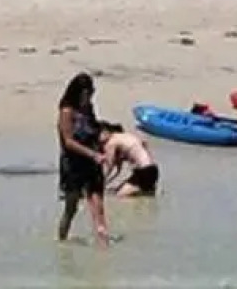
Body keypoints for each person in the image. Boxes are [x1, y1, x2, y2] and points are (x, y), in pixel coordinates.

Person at [57, 72, 111, 246]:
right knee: (71, 209)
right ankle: (61, 241)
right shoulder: (66, 112)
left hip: (93, 164)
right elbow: (68, 142)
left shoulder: (88, 109)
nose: (90, 97)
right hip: (73, 165)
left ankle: (103, 248)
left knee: (98, 208)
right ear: (77, 93)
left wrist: (103, 136)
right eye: (88, 93)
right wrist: (92, 154)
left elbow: (94, 129)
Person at [99, 123, 160, 197]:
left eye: (98, 135)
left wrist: (99, 182)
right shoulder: (126, 136)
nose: (98, 139)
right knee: (118, 190)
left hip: (143, 171)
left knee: (119, 196)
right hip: (153, 169)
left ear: (106, 131)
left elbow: (109, 167)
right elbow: (144, 143)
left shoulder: (111, 143)